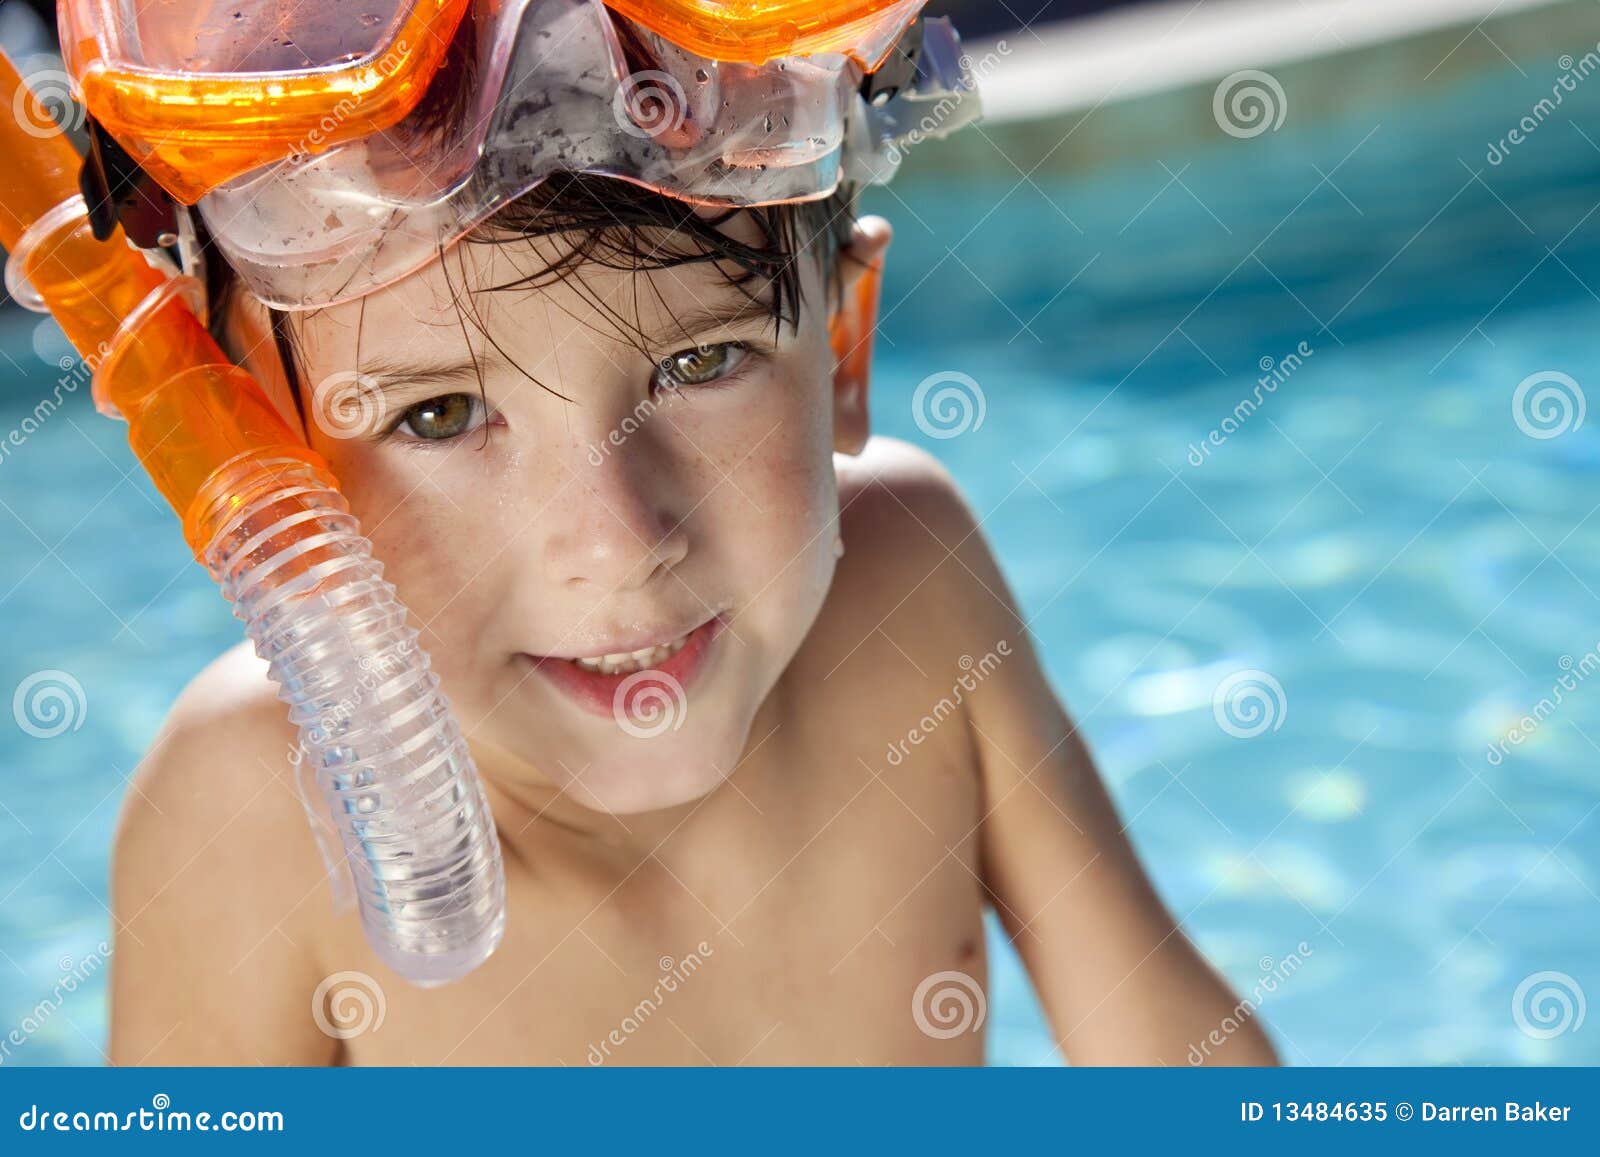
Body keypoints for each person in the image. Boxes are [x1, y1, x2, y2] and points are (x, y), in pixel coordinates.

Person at [95, 0, 1277, 1066]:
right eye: (438, 414)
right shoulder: (246, 810)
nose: (615, 544)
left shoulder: (915, 590)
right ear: (258, 466)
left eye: (700, 361)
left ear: (845, 350)